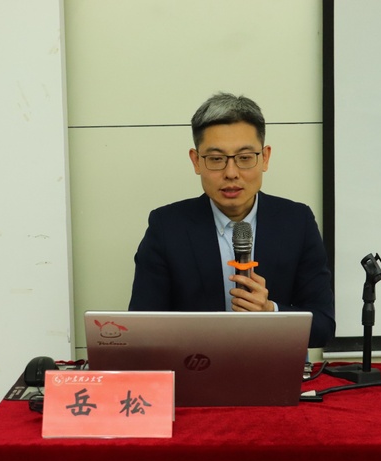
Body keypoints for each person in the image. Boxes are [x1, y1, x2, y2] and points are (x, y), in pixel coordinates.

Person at [128, 92, 335, 348]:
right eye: (216, 159)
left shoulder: (297, 222)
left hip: (273, 365)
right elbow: (143, 327)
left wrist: (271, 312)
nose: (231, 173)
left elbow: (324, 326)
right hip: (196, 364)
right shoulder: (167, 227)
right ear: (196, 161)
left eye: (245, 158)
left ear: (265, 158)